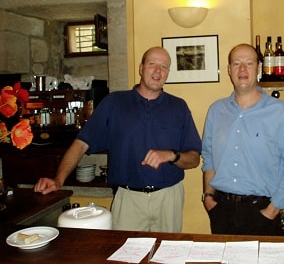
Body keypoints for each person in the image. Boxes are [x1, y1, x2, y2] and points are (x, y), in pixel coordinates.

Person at [34, 46, 202, 233]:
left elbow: (194, 158)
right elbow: (81, 144)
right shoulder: (114, 103)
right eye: (152, 64)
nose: (158, 71)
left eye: (164, 66)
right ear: (141, 68)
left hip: (169, 197)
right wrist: (58, 179)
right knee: (126, 256)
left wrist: (172, 155)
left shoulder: (178, 107)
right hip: (128, 199)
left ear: (168, 73)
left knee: (168, 256)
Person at [201, 43, 284, 236]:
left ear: (258, 68)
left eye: (249, 63)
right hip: (221, 210)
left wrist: (271, 211)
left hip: (262, 212)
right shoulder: (216, 111)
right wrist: (208, 198)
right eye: (236, 63)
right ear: (229, 70)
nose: (242, 69)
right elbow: (209, 158)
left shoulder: (280, 112)